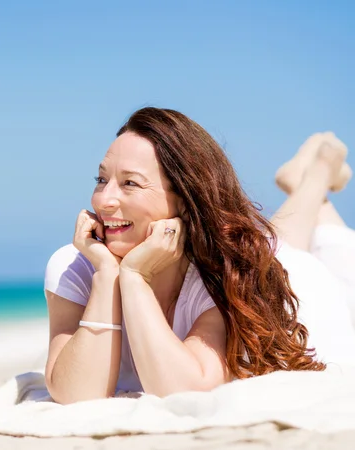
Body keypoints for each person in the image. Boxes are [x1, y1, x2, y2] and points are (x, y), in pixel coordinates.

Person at [43, 107, 355, 405]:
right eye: (101, 180)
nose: (105, 200)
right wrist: (107, 276)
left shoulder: (223, 272)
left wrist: (135, 277)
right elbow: (76, 394)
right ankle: (310, 182)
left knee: (291, 248)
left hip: (306, 287)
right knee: (276, 239)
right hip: (264, 250)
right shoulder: (77, 265)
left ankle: (319, 172)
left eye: (130, 183)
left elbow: (185, 391)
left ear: (183, 199)